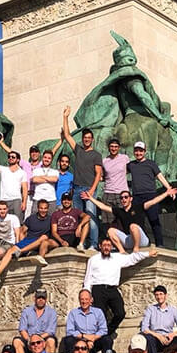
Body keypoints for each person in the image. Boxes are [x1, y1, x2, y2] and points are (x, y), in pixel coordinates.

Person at [83, 238, 156, 337]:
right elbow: (88, 278)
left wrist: (148, 254)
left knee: (120, 313)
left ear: (112, 247)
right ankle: (101, 340)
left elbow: (133, 258)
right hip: (98, 289)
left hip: (112, 289)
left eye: (108, 245)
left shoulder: (117, 258)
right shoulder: (93, 259)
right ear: (100, 246)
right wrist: (86, 292)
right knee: (100, 316)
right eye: (104, 245)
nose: (106, 248)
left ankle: (107, 333)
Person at [82, 189, 174, 254]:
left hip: (142, 240)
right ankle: (122, 251)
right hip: (129, 239)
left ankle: (136, 249)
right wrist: (90, 198)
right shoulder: (120, 211)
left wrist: (166, 193)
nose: (124, 199)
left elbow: (153, 201)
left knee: (133, 226)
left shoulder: (138, 207)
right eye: (121, 198)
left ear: (131, 199)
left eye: (126, 197)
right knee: (110, 231)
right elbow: (103, 207)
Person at [62, 107, 103, 249]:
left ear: (92, 140)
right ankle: (82, 243)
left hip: (89, 189)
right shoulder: (78, 150)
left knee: (91, 217)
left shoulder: (96, 155)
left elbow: (98, 174)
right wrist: (66, 117)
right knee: (79, 218)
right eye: (84, 138)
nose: (86, 140)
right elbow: (67, 135)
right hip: (77, 189)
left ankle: (93, 244)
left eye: (89, 138)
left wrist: (91, 191)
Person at [126, 141, 177, 247]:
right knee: (138, 221)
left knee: (154, 220)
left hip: (150, 195)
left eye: (141, 151)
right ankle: (143, 243)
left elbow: (160, 177)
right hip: (137, 197)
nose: (138, 153)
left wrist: (169, 189)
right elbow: (119, 172)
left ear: (144, 152)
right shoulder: (131, 165)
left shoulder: (151, 164)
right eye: (136, 151)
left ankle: (160, 244)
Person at [2, 199, 56, 268]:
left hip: (40, 243)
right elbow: (22, 231)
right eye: (41, 208)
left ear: (48, 209)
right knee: (10, 251)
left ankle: (21, 251)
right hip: (28, 241)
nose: (43, 210)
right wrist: (21, 242)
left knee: (44, 237)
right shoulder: (31, 218)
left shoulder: (50, 219)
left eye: (45, 208)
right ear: (38, 208)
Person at [63, 289, 108, 353]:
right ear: (79, 300)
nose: (84, 302)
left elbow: (104, 330)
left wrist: (93, 338)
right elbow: (69, 331)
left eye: (86, 299)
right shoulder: (73, 313)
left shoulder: (98, 312)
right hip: (79, 339)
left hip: (95, 340)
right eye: (82, 299)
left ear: (91, 300)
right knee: (68, 340)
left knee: (107, 340)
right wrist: (84, 337)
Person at [16, 289, 59, 353]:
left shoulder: (52, 312)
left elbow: (51, 331)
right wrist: (30, 339)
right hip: (29, 338)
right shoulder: (26, 311)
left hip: (44, 338)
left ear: (46, 299)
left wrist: (37, 339)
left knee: (51, 341)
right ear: (34, 298)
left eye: (43, 298)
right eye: (39, 298)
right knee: (17, 341)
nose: (41, 300)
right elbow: (22, 329)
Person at [100, 138, 130, 225]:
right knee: (109, 221)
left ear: (119, 148)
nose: (114, 148)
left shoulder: (125, 158)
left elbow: (129, 170)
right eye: (112, 146)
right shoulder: (104, 161)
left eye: (116, 147)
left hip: (122, 193)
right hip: (108, 192)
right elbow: (103, 176)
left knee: (124, 219)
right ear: (109, 148)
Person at [30, 150, 60, 215]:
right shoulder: (36, 170)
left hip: (51, 200)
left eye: (49, 158)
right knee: (34, 218)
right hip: (38, 198)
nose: (47, 159)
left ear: (51, 160)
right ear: (42, 158)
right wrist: (49, 178)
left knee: (51, 220)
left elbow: (54, 179)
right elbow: (35, 180)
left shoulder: (55, 171)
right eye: (45, 157)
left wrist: (41, 177)